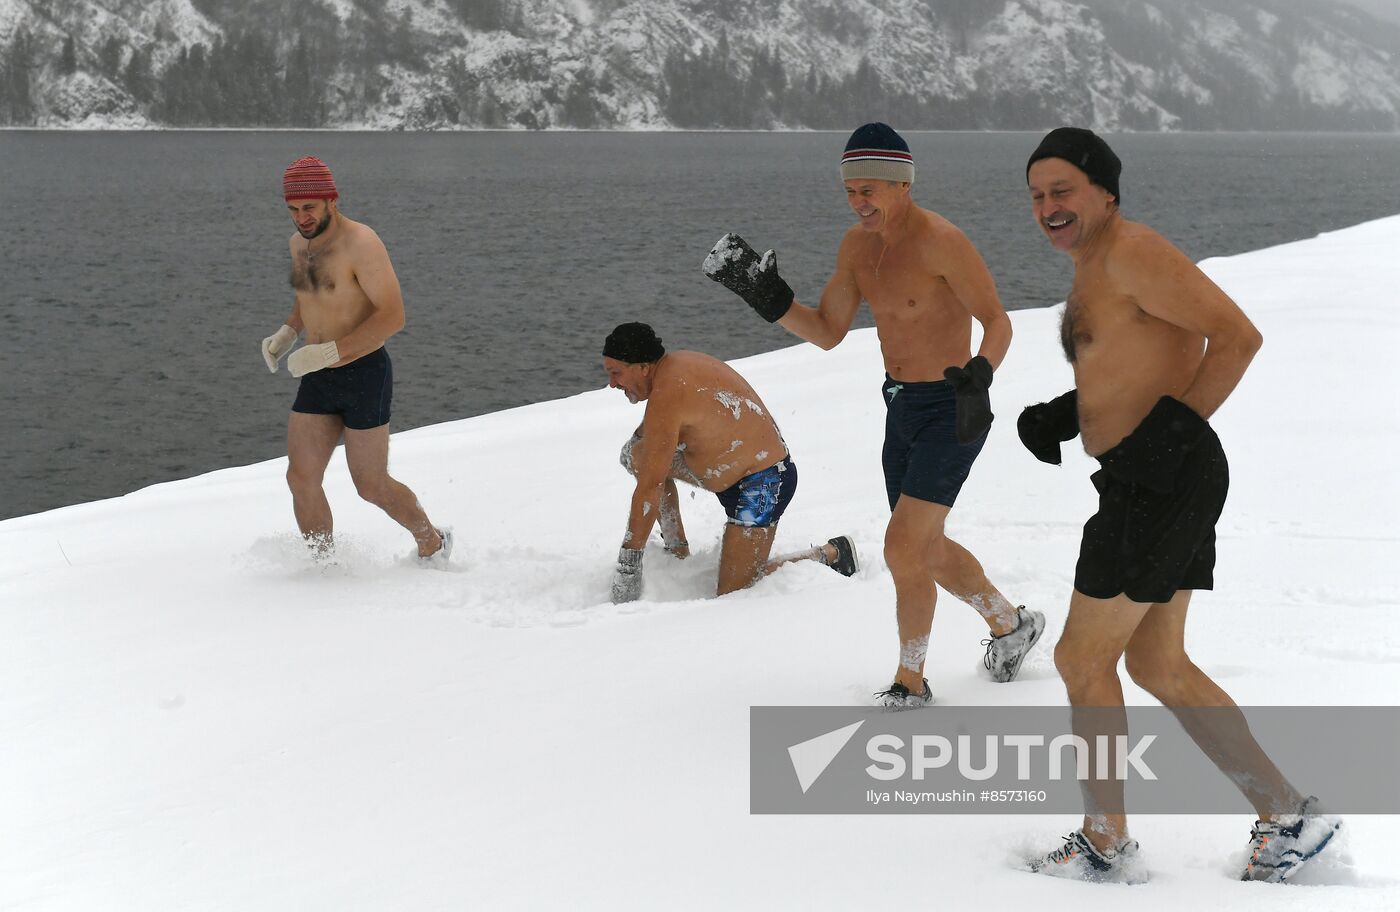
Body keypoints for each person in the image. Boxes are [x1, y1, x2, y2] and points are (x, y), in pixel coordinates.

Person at [1020, 127, 1340, 882]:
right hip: (1154, 477)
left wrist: (1173, 434)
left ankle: (1104, 839)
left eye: (1062, 190)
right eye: (1036, 196)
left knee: (1079, 658)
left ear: (1104, 190)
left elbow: (1235, 336)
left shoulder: (1132, 251)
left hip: (1157, 482)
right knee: (1158, 663)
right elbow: (1136, 363)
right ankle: (1288, 814)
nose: (1048, 207)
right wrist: (1069, 413)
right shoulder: (1096, 264)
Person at [703, 123, 1043, 708]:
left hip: (955, 404)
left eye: (870, 190)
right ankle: (1011, 625)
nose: (859, 203)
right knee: (925, 549)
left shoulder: (942, 241)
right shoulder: (856, 249)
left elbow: (998, 321)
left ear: (902, 185)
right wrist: (771, 301)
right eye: (850, 191)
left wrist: (981, 373)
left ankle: (911, 681)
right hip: (901, 407)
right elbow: (828, 332)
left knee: (903, 547)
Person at [260, 156, 449, 563]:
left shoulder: (362, 243)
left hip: (364, 372)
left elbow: (393, 315)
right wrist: (288, 333)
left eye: (309, 207)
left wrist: (330, 351)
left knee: (371, 485)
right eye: (292, 209)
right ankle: (323, 567)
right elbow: (308, 295)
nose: (301, 218)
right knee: (301, 477)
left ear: (332, 199)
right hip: (317, 374)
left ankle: (431, 541)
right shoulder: (300, 244)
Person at [602, 322, 857, 602]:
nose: (612, 383)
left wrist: (628, 567)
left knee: (733, 594)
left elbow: (650, 486)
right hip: (730, 472)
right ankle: (676, 551)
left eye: (616, 373)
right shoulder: (671, 370)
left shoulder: (670, 389)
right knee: (636, 455)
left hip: (764, 484)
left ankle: (831, 554)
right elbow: (650, 459)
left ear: (643, 367)